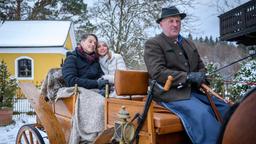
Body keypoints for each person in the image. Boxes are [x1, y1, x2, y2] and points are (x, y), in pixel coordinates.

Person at [144, 6, 230, 144]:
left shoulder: (189, 43)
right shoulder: (153, 44)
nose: (175, 24)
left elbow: (201, 66)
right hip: (169, 94)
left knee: (225, 109)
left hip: (193, 91)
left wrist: (201, 76)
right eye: (171, 21)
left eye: (178, 21)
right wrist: (188, 77)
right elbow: (157, 72)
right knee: (203, 114)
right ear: (161, 24)